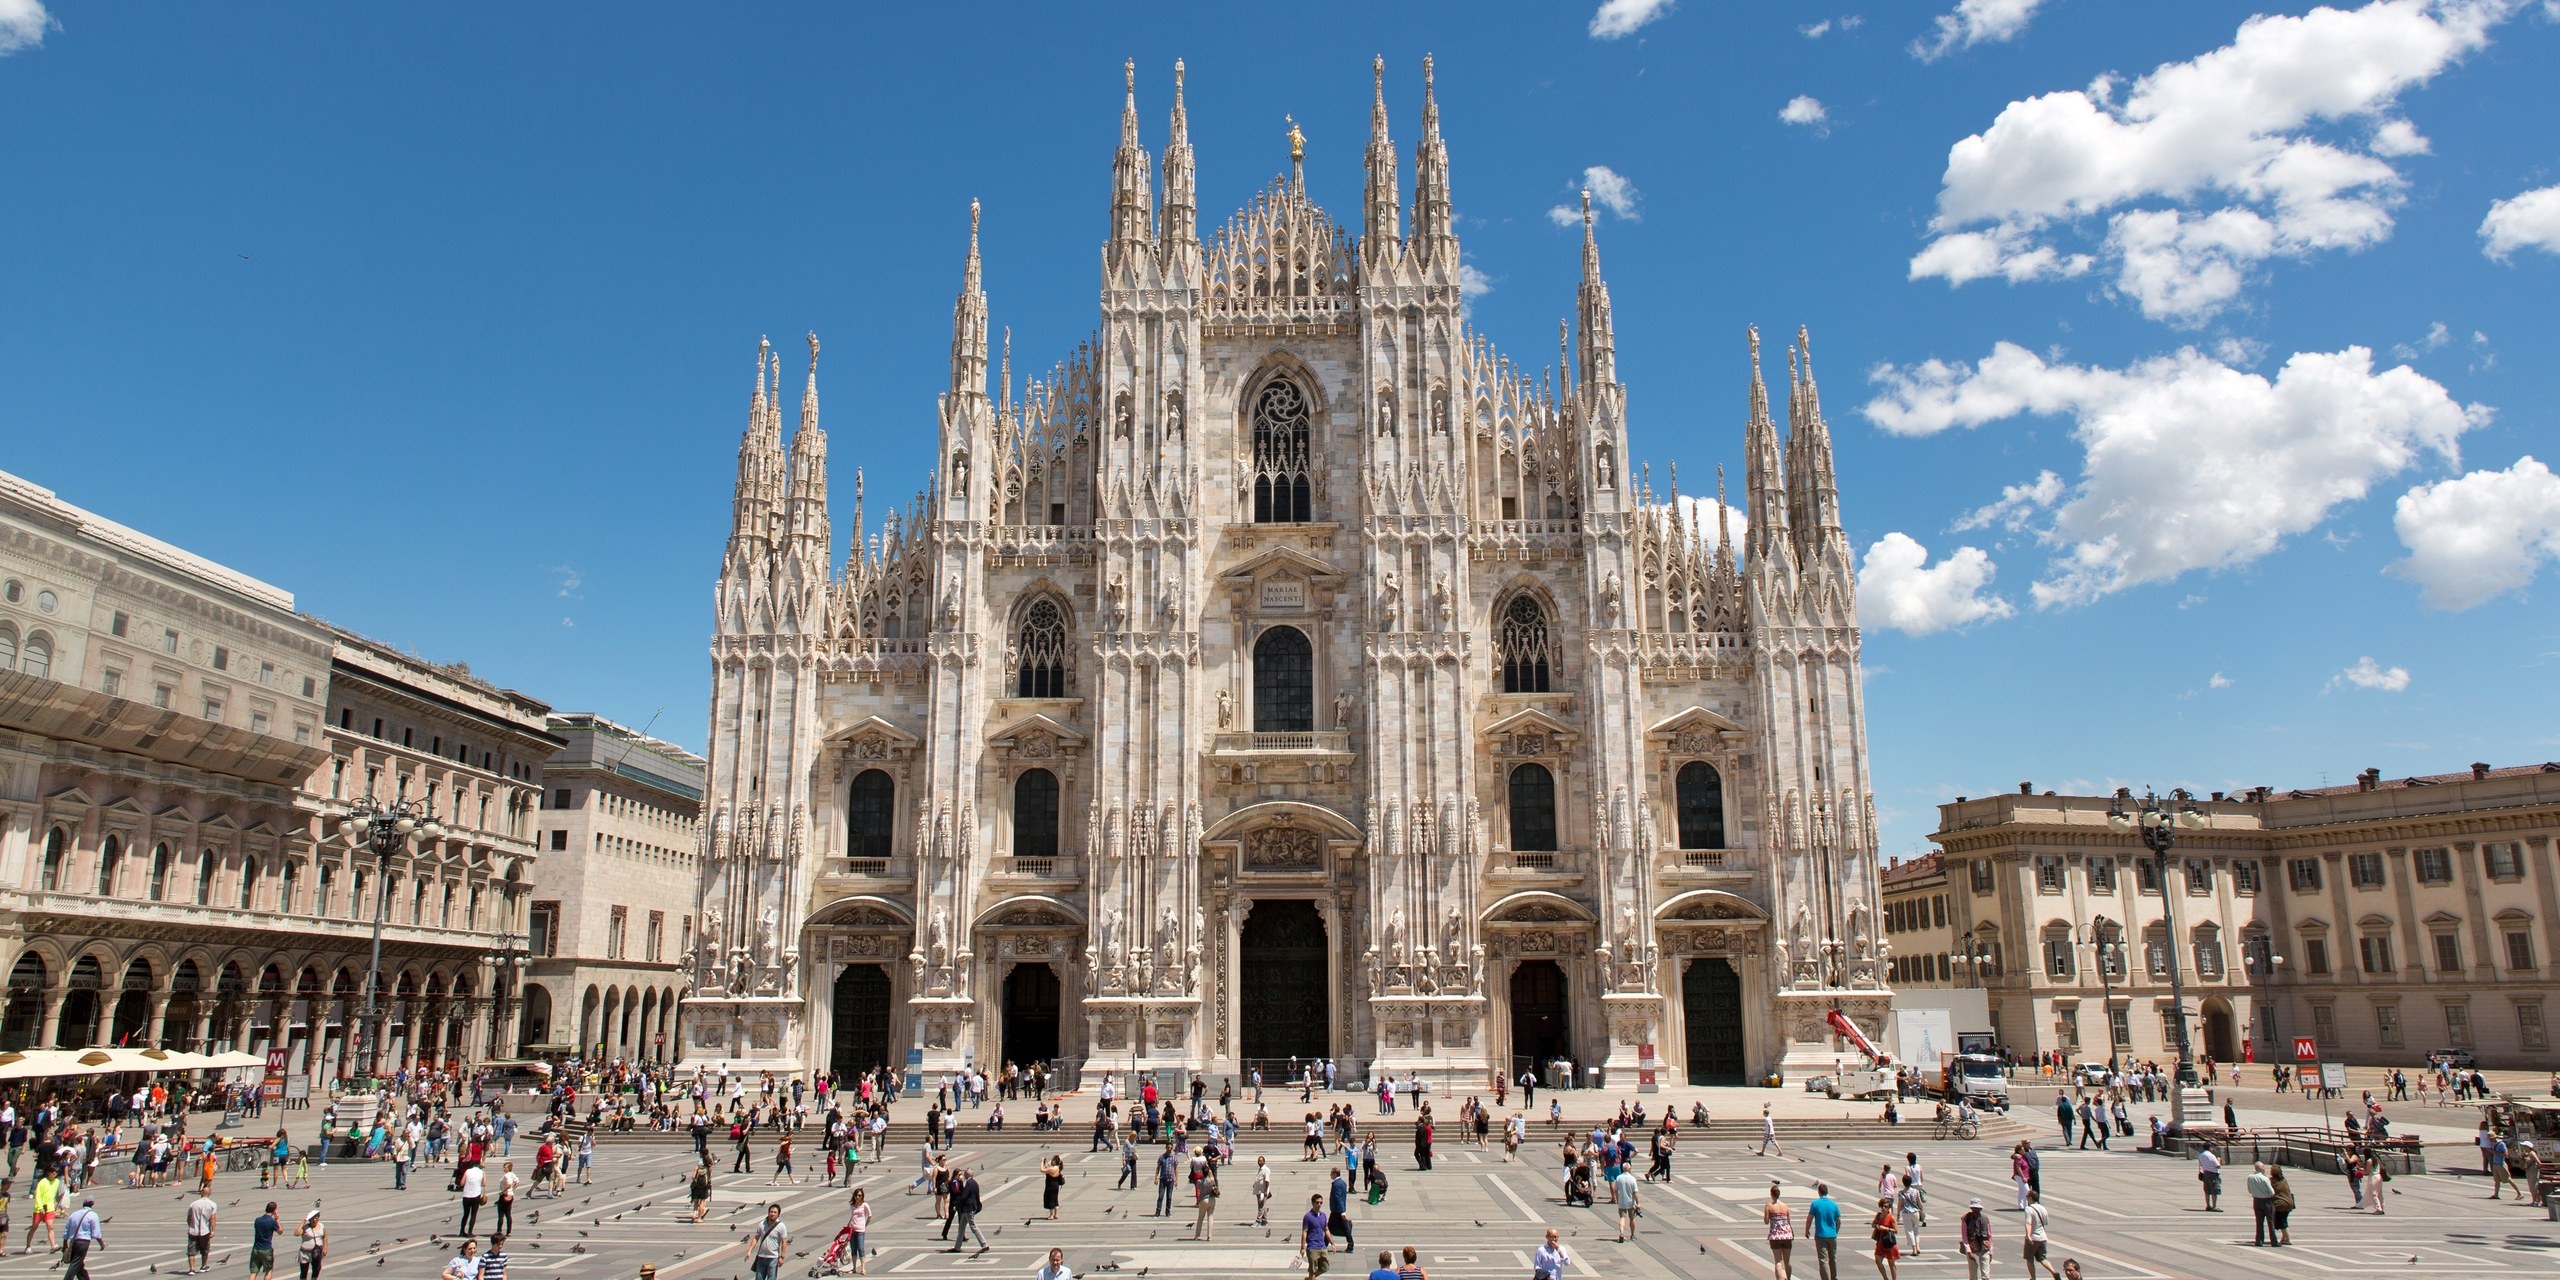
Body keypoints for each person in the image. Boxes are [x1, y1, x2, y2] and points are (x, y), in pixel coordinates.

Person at [61, 1196, 104, 1280]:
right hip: (84, 1242)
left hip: (73, 1242)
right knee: (76, 1263)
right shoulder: (93, 1215)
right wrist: (101, 1243)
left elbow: (66, 1230)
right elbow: (96, 1233)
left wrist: (65, 1244)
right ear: (92, 1204)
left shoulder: (74, 1214)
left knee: (79, 1264)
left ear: (83, 1204)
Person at [946, 1167, 987, 1253]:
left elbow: (964, 1196)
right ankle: (957, 1247)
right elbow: (976, 1196)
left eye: (965, 1173)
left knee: (973, 1227)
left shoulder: (969, 1183)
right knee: (961, 1228)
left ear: (968, 1174)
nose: (963, 1174)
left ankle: (984, 1244)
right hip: (968, 1208)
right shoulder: (974, 1182)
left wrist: (957, 1205)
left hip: (968, 1208)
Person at [1808, 1181, 1842, 1280]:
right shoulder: (1834, 1204)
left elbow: (1809, 1218)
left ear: (1819, 1192)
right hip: (1832, 1235)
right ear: (1827, 1192)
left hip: (1820, 1235)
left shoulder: (1815, 1204)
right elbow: (1839, 1221)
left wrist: (1807, 1230)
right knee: (1833, 1259)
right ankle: (1834, 1277)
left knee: (1823, 1260)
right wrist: (1836, 1231)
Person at [746, 1203, 789, 1280]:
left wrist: (782, 1257)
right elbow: (756, 1238)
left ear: (778, 1214)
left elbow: (784, 1242)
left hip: (773, 1258)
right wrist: (749, 1251)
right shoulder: (762, 1224)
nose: (772, 1214)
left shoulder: (781, 1226)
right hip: (761, 1257)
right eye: (771, 1212)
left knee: (771, 1278)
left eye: (775, 1212)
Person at [1761, 1183, 1795, 1280]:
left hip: (1775, 1235)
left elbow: (1766, 1221)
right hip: (1787, 1235)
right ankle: (1788, 1278)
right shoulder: (1785, 1206)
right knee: (1787, 1261)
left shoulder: (1768, 1206)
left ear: (1771, 1194)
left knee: (1778, 1261)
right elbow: (1788, 1221)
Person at [2020, 1189, 2055, 1280]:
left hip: (2033, 1237)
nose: (2026, 1198)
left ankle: (2033, 1277)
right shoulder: (2042, 1208)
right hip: (2043, 1237)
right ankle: (2053, 1272)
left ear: (2031, 1197)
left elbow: (2028, 1223)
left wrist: (2028, 1235)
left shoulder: (2029, 1209)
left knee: (2029, 1259)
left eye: (2027, 1196)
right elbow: (2046, 1222)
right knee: (2042, 1258)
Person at [1957, 1198, 1991, 1280]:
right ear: (1971, 1208)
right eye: (1974, 1208)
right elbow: (1964, 1237)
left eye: (1978, 1208)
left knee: (1986, 1276)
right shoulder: (1966, 1218)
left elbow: (1989, 1235)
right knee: (1973, 1276)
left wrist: (1991, 1251)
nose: (1976, 1210)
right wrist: (1969, 1251)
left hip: (1984, 1248)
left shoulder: (1985, 1218)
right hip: (1972, 1248)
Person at [186, 1190, 219, 1275]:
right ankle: (203, 1266)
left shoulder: (193, 1204)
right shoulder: (212, 1204)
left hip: (193, 1230)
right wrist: (212, 1230)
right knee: (205, 1249)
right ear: (210, 1193)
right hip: (205, 1231)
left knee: (191, 1250)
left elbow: (189, 1218)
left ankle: (192, 1269)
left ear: (201, 1193)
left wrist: (191, 1226)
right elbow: (212, 1218)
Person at [1300, 1196, 1332, 1278]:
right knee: (1312, 1271)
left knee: (1325, 1267)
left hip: (1322, 1246)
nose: (1319, 1204)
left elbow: (1326, 1229)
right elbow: (1304, 1232)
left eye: (1321, 1202)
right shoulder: (1308, 1216)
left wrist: (1332, 1243)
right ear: (1313, 1203)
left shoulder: (1323, 1215)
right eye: (1317, 1202)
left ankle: (1309, 1279)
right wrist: (1303, 1247)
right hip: (1312, 1247)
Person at [1869, 1197, 1899, 1280]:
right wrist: (1876, 1226)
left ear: (1889, 1208)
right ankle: (1885, 1278)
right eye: (1882, 1206)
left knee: (1891, 1263)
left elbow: (1896, 1230)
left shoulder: (1891, 1217)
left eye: (1885, 1206)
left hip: (1889, 1242)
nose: (1883, 1208)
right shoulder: (1878, 1215)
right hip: (1881, 1241)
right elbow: (1873, 1224)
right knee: (1878, 1260)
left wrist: (1885, 1228)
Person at [845, 1188, 873, 1276]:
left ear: (862, 1196)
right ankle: (854, 1268)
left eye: (860, 1195)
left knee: (861, 1249)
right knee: (853, 1249)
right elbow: (852, 1217)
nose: (858, 1197)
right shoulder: (852, 1205)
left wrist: (865, 1225)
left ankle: (863, 1268)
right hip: (852, 1229)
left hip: (860, 1230)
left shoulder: (865, 1205)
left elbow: (869, 1216)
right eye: (856, 1195)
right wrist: (847, 1226)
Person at [249, 1202, 280, 1280]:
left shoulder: (257, 1220)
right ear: (274, 1211)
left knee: (253, 1272)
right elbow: (280, 1231)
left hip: (256, 1248)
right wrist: (277, 1219)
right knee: (268, 1270)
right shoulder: (272, 1221)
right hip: (266, 1248)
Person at [2247, 1162, 2276, 1245]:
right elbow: (2272, 1192)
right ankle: (2274, 1241)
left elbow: (2249, 1190)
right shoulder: (2264, 1178)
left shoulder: (2250, 1177)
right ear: (2261, 1168)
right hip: (2266, 1201)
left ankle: (2259, 1240)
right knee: (2270, 1221)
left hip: (2256, 1200)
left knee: (2259, 1222)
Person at [1611, 1162, 1641, 1242]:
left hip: (1622, 1201)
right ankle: (1632, 1234)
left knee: (1622, 1217)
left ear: (1622, 1168)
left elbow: (1616, 1190)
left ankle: (1621, 1233)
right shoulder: (1632, 1179)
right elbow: (1635, 1192)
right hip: (1631, 1202)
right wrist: (1638, 1203)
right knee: (1632, 1218)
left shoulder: (1619, 1178)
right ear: (1629, 1169)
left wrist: (1617, 1199)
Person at [1189, 1159, 1218, 1241]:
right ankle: (1209, 1236)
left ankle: (1197, 1235)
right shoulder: (1211, 1180)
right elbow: (1214, 1181)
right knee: (1210, 1217)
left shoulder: (1199, 1181)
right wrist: (1210, 1172)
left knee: (1200, 1218)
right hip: (1212, 1199)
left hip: (1203, 1199)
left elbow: (1198, 1188)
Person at [2265, 1165, 2294, 1245]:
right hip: (2289, 1202)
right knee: (2284, 1219)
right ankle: (2284, 1238)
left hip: (2280, 1203)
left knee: (2281, 1222)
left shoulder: (2273, 1181)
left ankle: (2287, 1238)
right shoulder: (2283, 1180)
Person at [294, 1207, 326, 1280]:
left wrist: (325, 1248)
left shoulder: (321, 1226)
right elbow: (296, 1233)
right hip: (305, 1253)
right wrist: (302, 1223)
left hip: (317, 1252)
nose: (315, 1220)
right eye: (313, 1218)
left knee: (316, 1270)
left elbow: (325, 1237)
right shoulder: (305, 1228)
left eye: (317, 1218)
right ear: (310, 1219)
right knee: (304, 1272)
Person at [457, 1160, 486, 1237]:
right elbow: (484, 1184)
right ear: (479, 1164)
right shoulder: (482, 1172)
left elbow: (462, 1183)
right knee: (473, 1214)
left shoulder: (468, 1171)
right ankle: (470, 1232)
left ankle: (461, 1231)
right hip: (476, 1195)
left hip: (466, 1195)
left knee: (465, 1214)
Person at [2196, 1145, 2222, 1212]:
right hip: (2213, 1174)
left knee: (2207, 1191)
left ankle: (2208, 1205)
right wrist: (2219, 1159)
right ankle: (2214, 1206)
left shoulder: (2201, 1155)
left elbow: (2201, 1164)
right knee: (2214, 1191)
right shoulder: (2211, 1155)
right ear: (2210, 1148)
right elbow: (2218, 1165)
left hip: (2205, 1173)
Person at [1041, 1153, 1064, 1221]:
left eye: (1052, 1160)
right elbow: (1048, 1169)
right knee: (1055, 1200)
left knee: (1050, 1199)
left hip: (1050, 1186)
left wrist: (1042, 1162)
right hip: (1055, 1185)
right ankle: (1056, 1214)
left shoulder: (1053, 1169)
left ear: (1055, 1161)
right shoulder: (1057, 1168)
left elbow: (1042, 1170)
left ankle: (1051, 1215)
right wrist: (1046, 1164)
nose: (1051, 1161)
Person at [1253, 1155, 1273, 1226]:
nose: (1259, 1162)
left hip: (1262, 1191)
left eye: (1261, 1161)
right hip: (1258, 1191)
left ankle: (1258, 1220)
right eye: (1258, 1161)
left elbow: (1267, 1181)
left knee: (1261, 1206)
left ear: (1264, 1161)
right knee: (1262, 1206)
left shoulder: (1266, 1169)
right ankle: (1264, 1221)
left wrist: (1265, 1191)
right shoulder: (1260, 1169)